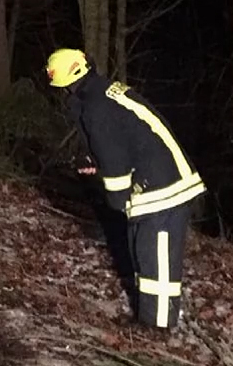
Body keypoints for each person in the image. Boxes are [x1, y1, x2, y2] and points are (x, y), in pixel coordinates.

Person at [46, 48, 205, 330]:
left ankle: (159, 328)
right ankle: (148, 317)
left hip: (164, 186)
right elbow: (120, 143)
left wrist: (116, 198)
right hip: (156, 178)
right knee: (143, 252)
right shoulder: (101, 94)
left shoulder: (96, 107)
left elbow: (114, 158)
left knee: (157, 260)